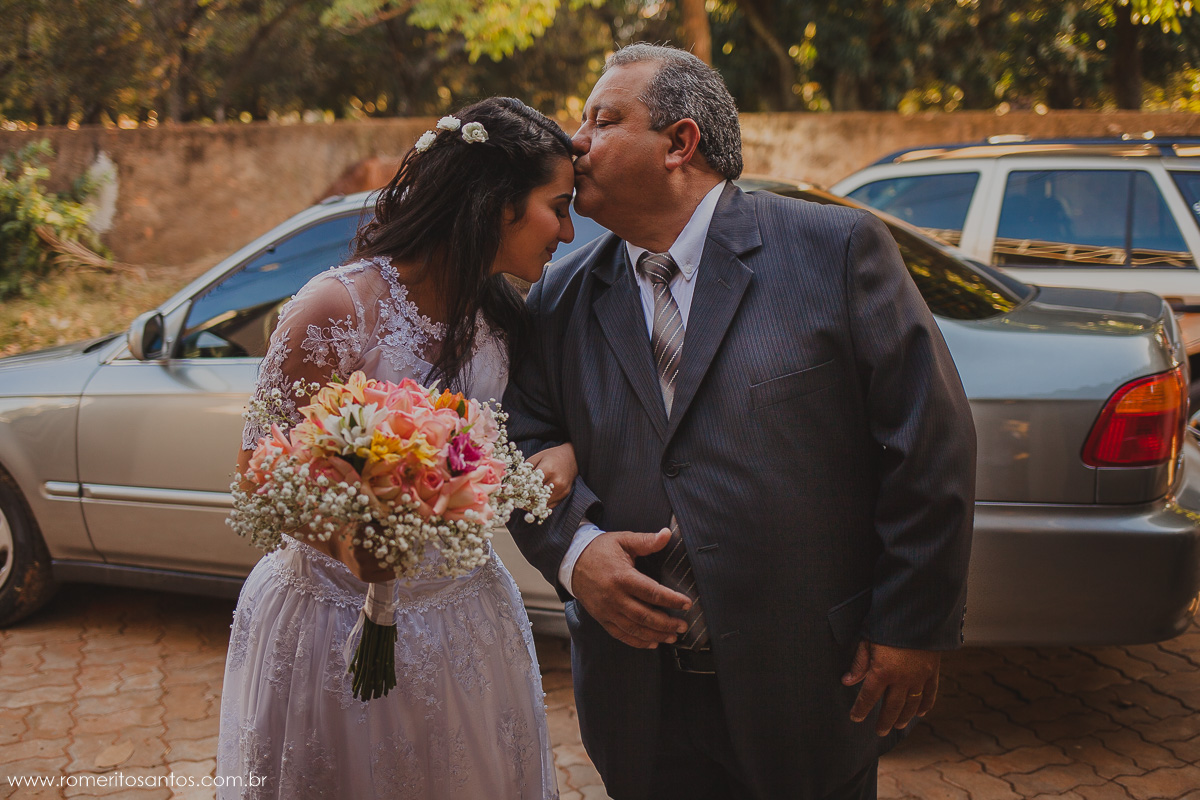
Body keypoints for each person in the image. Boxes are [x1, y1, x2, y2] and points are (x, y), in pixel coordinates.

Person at [503, 44, 976, 800]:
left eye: (602, 119)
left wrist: (911, 626)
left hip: (811, 681)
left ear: (679, 143)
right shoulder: (558, 298)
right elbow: (516, 438)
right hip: (636, 697)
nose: (575, 141)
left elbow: (927, 444)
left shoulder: (835, 251)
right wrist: (574, 552)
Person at [217, 97, 578, 799]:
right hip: (334, 624)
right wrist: (358, 545)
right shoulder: (336, 309)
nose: (567, 229)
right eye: (557, 206)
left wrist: (552, 461)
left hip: (467, 619)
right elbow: (259, 470)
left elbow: (510, 442)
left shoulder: (503, 315)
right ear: (495, 204)